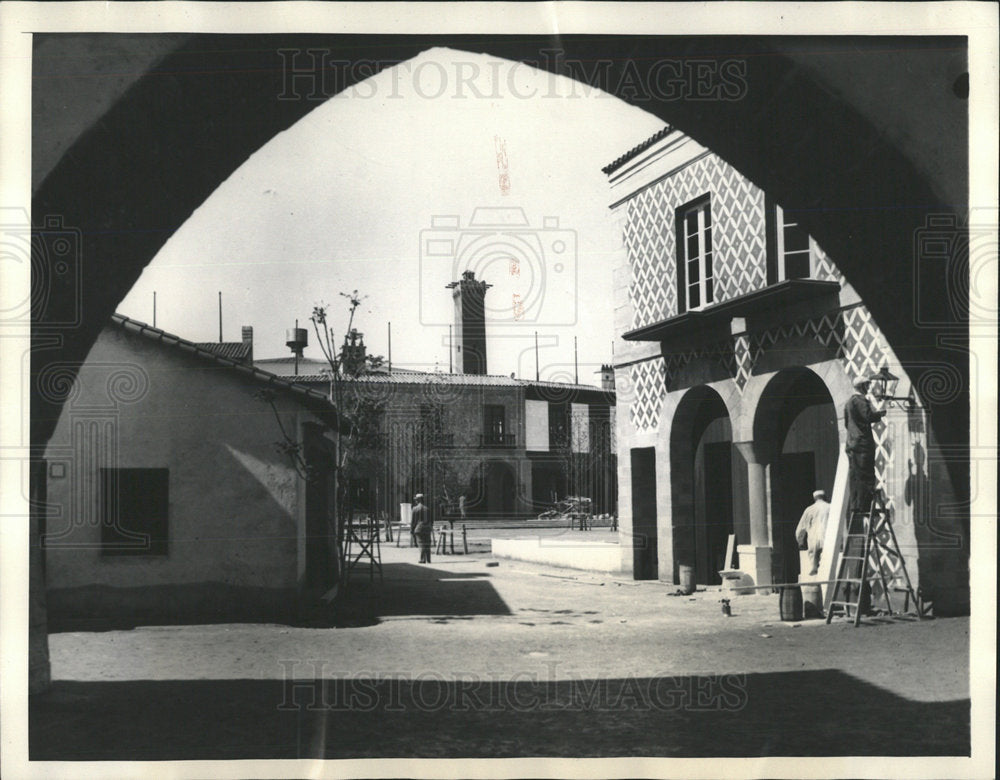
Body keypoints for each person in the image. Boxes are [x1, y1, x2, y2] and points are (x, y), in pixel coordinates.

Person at [844, 375, 887, 515]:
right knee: (866, 474)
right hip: (863, 443)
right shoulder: (860, 400)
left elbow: (846, 423)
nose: (868, 388)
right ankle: (866, 507)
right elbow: (868, 416)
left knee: (855, 475)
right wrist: (879, 414)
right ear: (861, 386)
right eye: (867, 385)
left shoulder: (849, 402)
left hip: (852, 443)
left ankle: (856, 506)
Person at [795, 489, 831, 575]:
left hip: (813, 539)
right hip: (827, 538)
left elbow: (801, 527)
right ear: (824, 497)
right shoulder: (830, 507)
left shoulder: (809, 509)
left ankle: (814, 568)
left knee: (814, 563)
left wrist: (800, 541)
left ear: (814, 498)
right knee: (828, 563)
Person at [412, 493, 432, 564]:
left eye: (416, 500)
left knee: (421, 543)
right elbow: (431, 520)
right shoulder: (427, 508)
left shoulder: (415, 509)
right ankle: (429, 559)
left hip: (419, 528)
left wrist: (412, 530)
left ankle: (422, 559)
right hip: (427, 528)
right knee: (427, 543)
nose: (415, 501)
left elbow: (413, 521)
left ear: (417, 500)